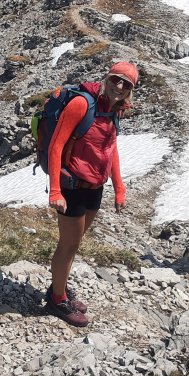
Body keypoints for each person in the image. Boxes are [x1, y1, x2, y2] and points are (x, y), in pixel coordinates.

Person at [45, 61, 137, 326]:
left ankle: (59, 289)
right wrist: (55, 191)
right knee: (68, 245)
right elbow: (56, 147)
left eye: (126, 84)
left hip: (95, 187)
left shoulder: (116, 110)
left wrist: (119, 188)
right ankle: (57, 299)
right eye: (116, 79)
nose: (119, 86)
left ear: (131, 89)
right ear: (107, 78)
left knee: (74, 244)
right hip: (72, 186)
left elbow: (111, 149)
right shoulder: (81, 104)